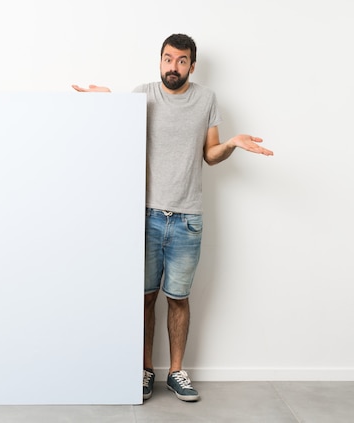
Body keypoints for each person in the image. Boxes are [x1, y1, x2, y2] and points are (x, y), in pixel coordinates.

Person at [73, 33, 273, 402]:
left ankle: (177, 372)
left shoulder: (206, 100)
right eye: (168, 59)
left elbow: (209, 155)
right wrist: (106, 104)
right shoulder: (143, 93)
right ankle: (145, 370)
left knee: (178, 298)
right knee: (144, 297)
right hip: (145, 216)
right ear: (160, 60)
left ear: (191, 66)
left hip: (187, 218)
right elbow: (118, 128)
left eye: (182, 61)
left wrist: (229, 144)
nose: (173, 67)